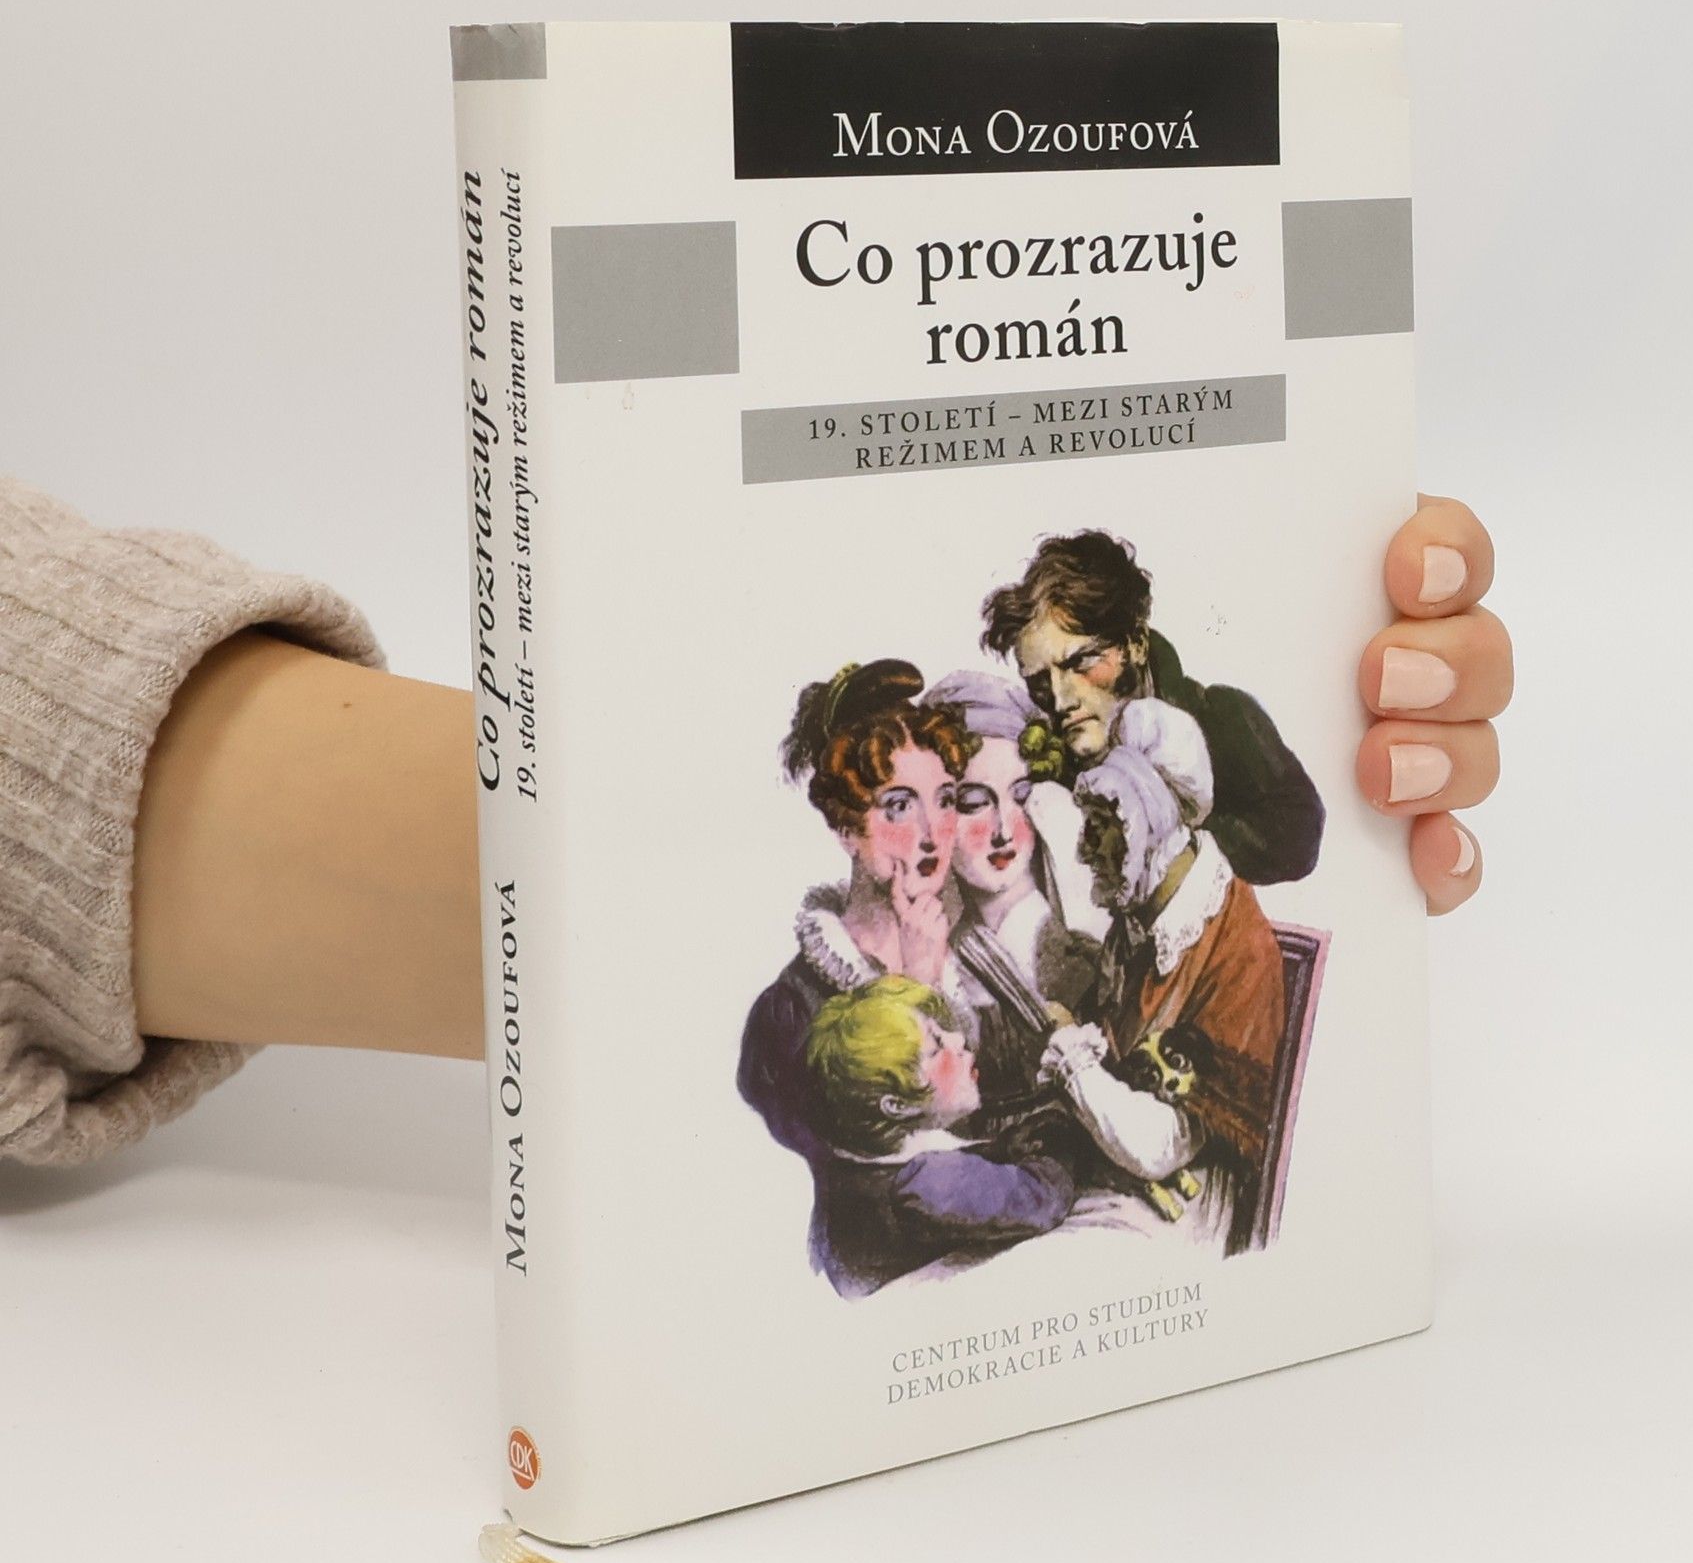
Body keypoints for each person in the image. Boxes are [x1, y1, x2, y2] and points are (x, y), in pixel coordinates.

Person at [0, 477, 1507, 1168]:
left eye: (1089, 667)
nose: (966, 820)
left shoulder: (1152, 785)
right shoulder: (869, 978)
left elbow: (1286, 851)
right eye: (923, 800)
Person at [1044, 738, 1289, 1256]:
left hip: (1189, 1198)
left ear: (1146, 830)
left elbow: (1161, 1147)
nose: (1084, 850)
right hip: (1115, 1164)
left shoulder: (1238, 951)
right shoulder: (1142, 916)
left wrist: (1069, 1050)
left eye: (1099, 827)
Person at [734, 658, 976, 1171]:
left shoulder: (977, 966)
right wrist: (918, 988)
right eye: (899, 806)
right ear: (846, 829)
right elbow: (867, 1183)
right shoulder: (790, 1011)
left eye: (946, 800)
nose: (931, 833)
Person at [981, 528, 1325, 885]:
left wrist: (1171, 843)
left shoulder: (1223, 719)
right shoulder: (1037, 766)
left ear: (1136, 645)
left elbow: (1298, 837)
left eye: (1081, 662)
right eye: (1039, 682)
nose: (1060, 699)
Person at [802, 975, 1076, 1297]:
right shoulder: (925, 1183)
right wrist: (1063, 1125)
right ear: (897, 1106)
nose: (957, 1039)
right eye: (935, 1049)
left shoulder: (860, 1166)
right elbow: (1043, 1197)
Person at [918, 670, 1101, 1107]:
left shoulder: (1081, 943)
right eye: (974, 803)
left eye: (1021, 796)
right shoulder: (934, 954)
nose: (1003, 829)